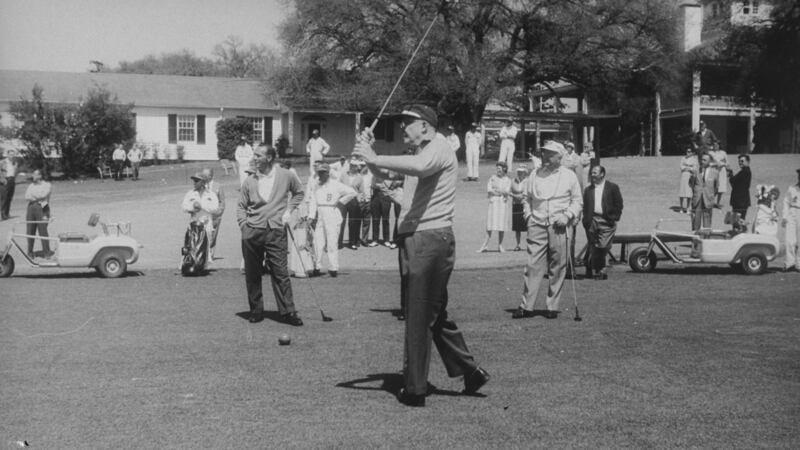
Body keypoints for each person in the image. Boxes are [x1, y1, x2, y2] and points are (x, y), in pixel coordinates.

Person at [354, 104, 490, 407]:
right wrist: (368, 152)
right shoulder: (420, 155)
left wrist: (373, 156)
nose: (403, 128)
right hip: (419, 239)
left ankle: (415, 390)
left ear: (425, 126)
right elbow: (388, 171)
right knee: (432, 314)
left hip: (428, 240)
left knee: (418, 315)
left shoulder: (438, 148)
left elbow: (418, 167)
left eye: (408, 123)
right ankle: (470, 370)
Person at [512, 140, 582, 320]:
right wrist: (528, 217)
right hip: (537, 223)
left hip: (560, 225)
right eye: (544, 153)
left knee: (558, 266)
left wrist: (567, 216)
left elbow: (577, 201)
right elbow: (526, 198)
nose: (545, 156)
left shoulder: (569, 176)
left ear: (560, 157)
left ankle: (552, 306)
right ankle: (527, 306)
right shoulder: (534, 174)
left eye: (550, 154)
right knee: (532, 265)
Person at [237, 145, 304, 325]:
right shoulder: (249, 180)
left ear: (269, 157)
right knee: (252, 274)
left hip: (276, 230)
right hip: (252, 232)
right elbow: (241, 206)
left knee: (280, 272)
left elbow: (299, 193)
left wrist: (289, 210)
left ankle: (288, 312)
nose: (254, 158)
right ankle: (256, 311)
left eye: (258, 155)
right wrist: (244, 226)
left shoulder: (286, 175)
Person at [308, 163, 357, 277]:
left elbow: (352, 192)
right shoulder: (316, 185)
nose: (320, 175)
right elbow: (313, 201)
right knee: (317, 241)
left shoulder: (336, 185)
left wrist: (340, 202)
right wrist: (311, 216)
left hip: (332, 213)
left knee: (332, 242)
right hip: (320, 214)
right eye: (318, 173)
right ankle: (317, 266)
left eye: (322, 173)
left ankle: (333, 268)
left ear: (327, 173)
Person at [582, 165, 623, 280]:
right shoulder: (588, 190)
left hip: (607, 221)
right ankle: (599, 271)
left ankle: (591, 264)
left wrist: (614, 217)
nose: (592, 175)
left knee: (603, 246)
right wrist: (586, 220)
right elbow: (585, 206)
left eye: (595, 172)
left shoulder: (612, 187)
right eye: (592, 173)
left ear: (602, 174)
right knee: (592, 245)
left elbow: (618, 204)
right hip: (591, 220)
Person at [181, 172, 221, 269]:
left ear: (203, 182)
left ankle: (204, 265)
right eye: (194, 180)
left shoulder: (211, 194)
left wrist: (201, 206)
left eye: (197, 181)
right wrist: (193, 208)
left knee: (206, 243)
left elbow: (215, 208)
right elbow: (184, 207)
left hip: (207, 222)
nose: (194, 183)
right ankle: (189, 263)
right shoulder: (190, 193)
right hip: (194, 222)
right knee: (191, 243)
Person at [477, 162, 511, 253]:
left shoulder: (507, 180)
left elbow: (507, 192)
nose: (498, 170)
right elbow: (490, 191)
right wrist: (499, 192)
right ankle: (485, 245)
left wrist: (499, 191)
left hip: (503, 203)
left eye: (500, 168)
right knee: (490, 224)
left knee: (501, 225)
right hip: (493, 203)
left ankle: (500, 245)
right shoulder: (492, 178)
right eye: (497, 168)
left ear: (504, 169)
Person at [24, 169, 53, 259]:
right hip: (31, 207)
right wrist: (36, 196)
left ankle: (47, 252)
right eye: (33, 174)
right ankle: (30, 251)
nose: (33, 176)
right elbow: (27, 196)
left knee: (43, 230)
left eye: (35, 175)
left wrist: (34, 195)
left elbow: (43, 195)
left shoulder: (47, 185)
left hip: (43, 207)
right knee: (30, 230)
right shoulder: (31, 185)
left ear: (40, 176)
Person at [689, 153, 719, 231]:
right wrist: (696, 192)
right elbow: (691, 184)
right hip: (697, 199)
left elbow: (716, 187)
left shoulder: (715, 172)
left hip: (708, 199)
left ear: (709, 161)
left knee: (707, 221)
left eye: (704, 160)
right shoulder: (695, 171)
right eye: (701, 159)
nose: (702, 161)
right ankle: (695, 240)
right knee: (696, 221)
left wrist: (710, 195)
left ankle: (706, 239)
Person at [338, 160, 363, 250]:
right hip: (343, 199)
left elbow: (360, 191)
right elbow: (339, 186)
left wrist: (359, 201)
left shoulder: (360, 177)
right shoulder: (344, 175)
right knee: (341, 221)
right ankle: (338, 242)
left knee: (352, 222)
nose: (355, 167)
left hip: (353, 200)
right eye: (353, 165)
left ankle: (352, 242)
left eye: (356, 166)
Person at [201, 168, 225, 260]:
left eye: (205, 176)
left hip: (215, 216)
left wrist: (219, 212)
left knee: (213, 235)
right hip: (203, 215)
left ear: (210, 176)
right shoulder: (201, 186)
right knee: (204, 233)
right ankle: (204, 253)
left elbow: (222, 201)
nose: (203, 177)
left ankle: (211, 253)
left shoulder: (218, 186)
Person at [781, 169, 800, 272]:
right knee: (789, 240)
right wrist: (784, 217)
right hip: (792, 213)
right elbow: (786, 202)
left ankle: (799, 264)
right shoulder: (792, 188)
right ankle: (789, 263)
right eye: (799, 175)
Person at [510, 166, 529, 251]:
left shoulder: (528, 181)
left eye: (521, 172)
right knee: (517, 227)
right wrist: (515, 196)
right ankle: (518, 245)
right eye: (518, 172)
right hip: (515, 205)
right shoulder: (513, 181)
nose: (519, 173)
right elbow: (508, 190)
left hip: (525, 205)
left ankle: (529, 245)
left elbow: (524, 195)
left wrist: (513, 195)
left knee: (528, 226)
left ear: (525, 173)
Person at [729, 154, 752, 220]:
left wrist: (731, 176)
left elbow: (733, 181)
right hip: (740, 201)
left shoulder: (745, 171)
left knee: (738, 220)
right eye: (739, 161)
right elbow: (735, 184)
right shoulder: (744, 171)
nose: (740, 163)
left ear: (748, 162)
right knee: (737, 220)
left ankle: (740, 229)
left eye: (742, 161)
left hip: (741, 201)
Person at [678, 147, 698, 214]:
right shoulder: (683, 158)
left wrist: (688, 168)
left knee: (689, 193)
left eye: (689, 151)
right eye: (687, 151)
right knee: (682, 192)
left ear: (692, 152)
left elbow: (695, 168)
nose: (688, 152)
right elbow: (681, 167)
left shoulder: (694, 159)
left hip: (690, 176)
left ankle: (688, 208)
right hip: (684, 176)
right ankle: (681, 207)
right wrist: (688, 167)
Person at [1, 150, 18, 220]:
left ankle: (7, 213)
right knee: (4, 198)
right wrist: (2, 180)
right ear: (7, 155)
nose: (12, 156)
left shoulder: (15, 162)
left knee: (9, 198)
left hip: (12, 180)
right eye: (10, 155)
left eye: (13, 155)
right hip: (5, 180)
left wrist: (14, 179)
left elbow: (15, 172)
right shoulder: (2, 162)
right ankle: (3, 214)